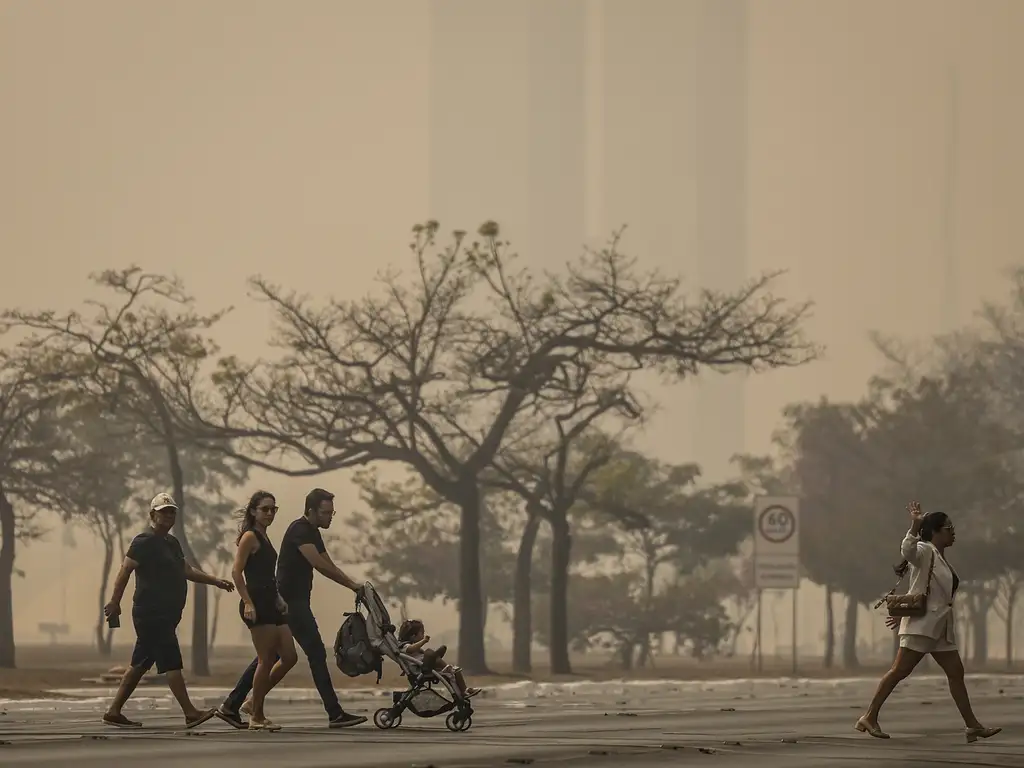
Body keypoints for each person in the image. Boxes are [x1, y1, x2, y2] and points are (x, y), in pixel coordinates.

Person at [216, 488, 367, 729]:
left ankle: (236, 704)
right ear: (311, 511)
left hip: (281, 601)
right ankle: (334, 713)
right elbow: (319, 565)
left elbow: (328, 562)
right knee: (312, 654)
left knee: (274, 657)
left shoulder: (310, 533)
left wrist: (353, 584)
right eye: (326, 512)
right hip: (289, 602)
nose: (330, 517)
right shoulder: (299, 530)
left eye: (273, 509)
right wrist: (350, 585)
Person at [855, 501, 1001, 743]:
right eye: (948, 528)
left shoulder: (941, 559)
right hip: (922, 626)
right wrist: (914, 524)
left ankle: (972, 726)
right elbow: (907, 550)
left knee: (956, 672)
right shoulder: (924, 551)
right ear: (935, 531)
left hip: (940, 629)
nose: (952, 532)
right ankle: (869, 716)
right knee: (899, 671)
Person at [102, 493, 235, 729]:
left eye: (172, 511)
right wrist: (114, 601)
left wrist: (215, 581)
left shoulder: (172, 543)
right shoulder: (143, 542)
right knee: (171, 661)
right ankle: (190, 712)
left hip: (167, 614)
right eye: (163, 511)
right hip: (151, 613)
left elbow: (187, 570)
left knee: (140, 664)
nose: (168, 515)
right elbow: (125, 572)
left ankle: (114, 711)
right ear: (152, 515)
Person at [232, 490, 298, 731]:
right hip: (256, 601)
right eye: (265, 509)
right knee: (266, 658)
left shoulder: (265, 536)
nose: (270, 513)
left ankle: (252, 702)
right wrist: (248, 602)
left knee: (289, 656)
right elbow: (236, 572)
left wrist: (279, 597)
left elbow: (268, 575)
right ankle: (256, 715)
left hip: (272, 601)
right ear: (253, 511)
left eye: (273, 509)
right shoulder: (249, 536)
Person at [397, 619, 480, 699]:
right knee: (429, 652)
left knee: (456, 670)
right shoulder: (404, 646)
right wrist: (424, 641)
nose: (423, 635)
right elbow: (411, 649)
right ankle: (443, 665)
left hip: (426, 664)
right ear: (413, 636)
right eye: (421, 633)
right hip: (421, 668)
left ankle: (464, 690)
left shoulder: (411, 646)